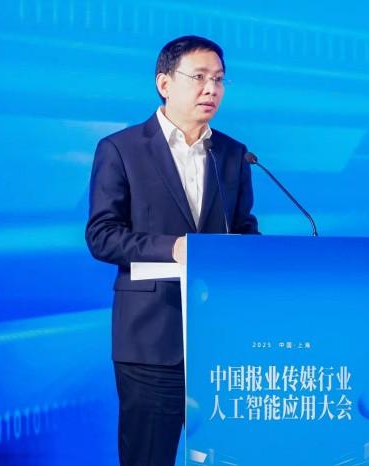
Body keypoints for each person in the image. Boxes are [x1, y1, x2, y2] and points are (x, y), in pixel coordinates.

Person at [85, 35, 259, 466]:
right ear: (164, 83)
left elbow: (244, 229)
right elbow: (102, 235)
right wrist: (173, 249)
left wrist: (250, 255)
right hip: (151, 338)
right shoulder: (121, 149)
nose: (211, 89)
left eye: (219, 79)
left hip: (220, 339)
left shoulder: (234, 154)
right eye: (198, 77)